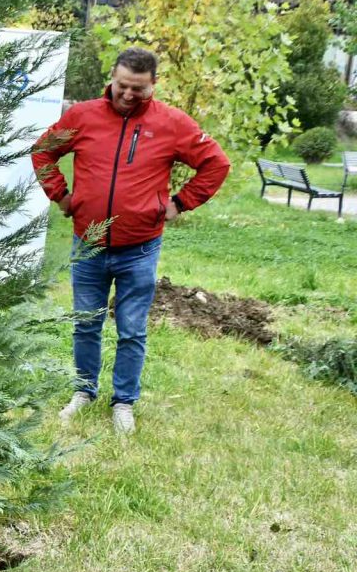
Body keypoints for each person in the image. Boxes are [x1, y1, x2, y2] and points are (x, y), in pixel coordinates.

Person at [31, 47, 230, 435]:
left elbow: (216, 163)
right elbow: (43, 152)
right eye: (123, 85)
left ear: (153, 85)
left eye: (138, 89)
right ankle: (84, 391)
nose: (128, 95)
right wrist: (62, 195)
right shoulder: (83, 116)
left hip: (139, 248)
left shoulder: (172, 123)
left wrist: (180, 203)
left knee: (132, 329)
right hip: (88, 245)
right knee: (86, 324)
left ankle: (124, 401)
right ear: (113, 77)